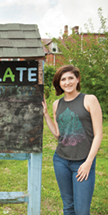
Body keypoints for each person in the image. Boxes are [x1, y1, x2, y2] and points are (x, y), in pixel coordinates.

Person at [42, 65, 102, 215]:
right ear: (59, 83)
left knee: (81, 210)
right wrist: (46, 114)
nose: (67, 82)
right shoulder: (57, 104)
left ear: (77, 79)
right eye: (63, 79)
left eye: (70, 78)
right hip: (61, 160)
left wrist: (88, 163)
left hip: (83, 161)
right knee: (68, 206)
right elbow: (58, 134)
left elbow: (98, 134)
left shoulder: (89, 100)